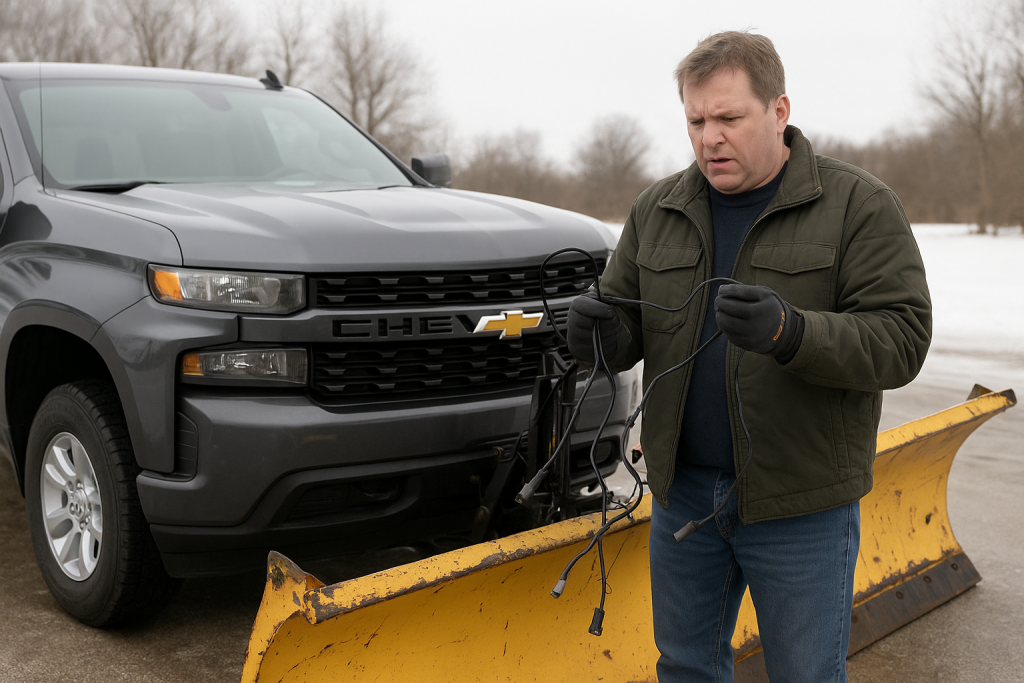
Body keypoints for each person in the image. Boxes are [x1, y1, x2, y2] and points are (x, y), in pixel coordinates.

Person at [565, 31, 931, 683]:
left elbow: (901, 340)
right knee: (685, 667)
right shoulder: (658, 208)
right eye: (696, 120)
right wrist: (597, 333)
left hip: (800, 503)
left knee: (805, 673)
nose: (710, 137)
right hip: (684, 501)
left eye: (729, 118)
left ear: (779, 111)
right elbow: (627, 328)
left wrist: (791, 332)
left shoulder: (857, 206)